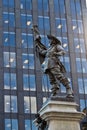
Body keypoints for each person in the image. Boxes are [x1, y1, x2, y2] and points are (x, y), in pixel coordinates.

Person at [32, 25, 73, 98]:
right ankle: (54, 92)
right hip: (48, 65)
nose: (49, 40)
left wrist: (56, 53)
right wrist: (37, 45)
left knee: (59, 76)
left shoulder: (57, 46)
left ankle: (68, 88)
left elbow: (63, 52)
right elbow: (43, 52)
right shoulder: (49, 49)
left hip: (54, 63)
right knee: (52, 79)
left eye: (51, 39)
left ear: (54, 40)